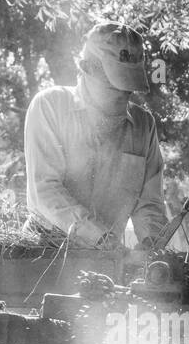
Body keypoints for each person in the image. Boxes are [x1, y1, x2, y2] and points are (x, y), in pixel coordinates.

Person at [24, 21, 167, 249]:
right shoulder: (50, 106)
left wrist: (152, 245)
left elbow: (149, 202)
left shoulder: (143, 125)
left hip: (108, 260)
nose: (124, 92)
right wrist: (100, 239)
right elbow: (46, 190)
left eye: (129, 85)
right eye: (115, 83)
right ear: (86, 68)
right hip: (43, 254)